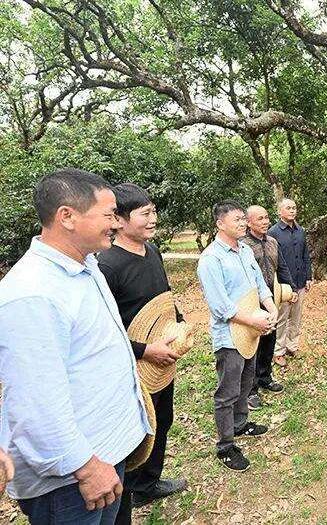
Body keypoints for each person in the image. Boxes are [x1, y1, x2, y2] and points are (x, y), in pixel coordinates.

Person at [0, 168, 152, 523]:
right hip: (74, 480)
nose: (116, 223)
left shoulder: (86, 266)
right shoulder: (32, 294)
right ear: (67, 216)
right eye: (108, 215)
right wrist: (85, 467)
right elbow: (34, 403)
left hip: (106, 455)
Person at [96, 184, 188, 519]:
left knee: (162, 419)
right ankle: (130, 488)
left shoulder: (153, 251)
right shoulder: (107, 266)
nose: (153, 219)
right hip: (133, 363)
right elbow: (105, 329)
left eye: (154, 211)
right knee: (138, 429)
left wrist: (178, 320)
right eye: (145, 213)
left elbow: (164, 296)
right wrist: (145, 350)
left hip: (163, 358)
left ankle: (148, 484)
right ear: (119, 220)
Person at [197, 200, 277, 472]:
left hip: (250, 330)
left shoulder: (244, 251)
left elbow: (259, 284)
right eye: (237, 220)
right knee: (227, 392)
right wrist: (253, 320)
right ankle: (225, 446)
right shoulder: (211, 259)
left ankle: (240, 423)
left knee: (246, 382)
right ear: (220, 224)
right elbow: (220, 307)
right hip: (229, 335)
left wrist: (271, 307)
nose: (243, 224)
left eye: (244, 219)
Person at [241, 205, 297, 410]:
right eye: (260, 219)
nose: (265, 222)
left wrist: (291, 288)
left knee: (269, 339)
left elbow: (281, 267)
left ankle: (265, 377)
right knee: (253, 343)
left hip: (270, 297)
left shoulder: (273, 242)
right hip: (250, 300)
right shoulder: (243, 245)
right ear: (249, 222)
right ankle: (251, 389)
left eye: (266, 218)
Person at [269, 198, 312, 367]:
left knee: (296, 317)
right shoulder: (273, 232)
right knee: (282, 318)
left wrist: (308, 276)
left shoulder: (300, 230)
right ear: (280, 211)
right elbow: (273, 261)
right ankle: (278, 351)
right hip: (283, 285)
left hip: (300, 280)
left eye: (294, 207)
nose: (292, 210)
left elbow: (305, 255)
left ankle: (292, 346)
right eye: (288, 208)